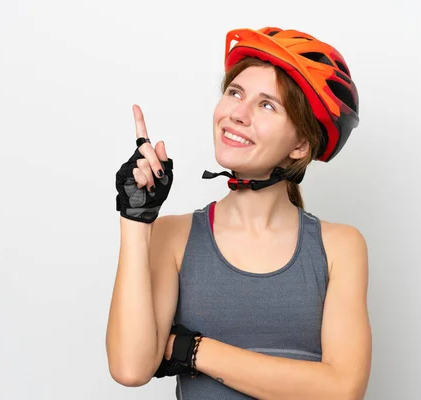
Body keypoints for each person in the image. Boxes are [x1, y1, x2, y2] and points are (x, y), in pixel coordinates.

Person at [106, 27, 372, 399]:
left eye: (267, 105)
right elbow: (131, 369)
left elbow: (341, 391)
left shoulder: (340, 246)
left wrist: (192, 350)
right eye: (235, 93)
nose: (237, 114)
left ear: (300, 144)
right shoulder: (172, 235)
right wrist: (136, 219)